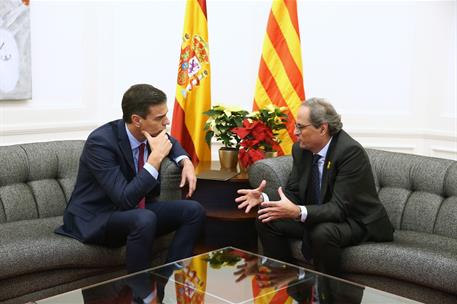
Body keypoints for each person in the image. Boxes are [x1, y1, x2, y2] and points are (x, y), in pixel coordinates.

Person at [56, 84, 205, 279]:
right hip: (98, 215)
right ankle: (140, 292)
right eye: (160, 118)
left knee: (194, 211)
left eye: (165, 115)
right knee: (144, 218)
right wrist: (154, 161)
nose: (167, 122)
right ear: (137, 120)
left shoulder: (152, 133)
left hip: (133, 210)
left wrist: (185, 162)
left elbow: (172, 142)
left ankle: (169, 281)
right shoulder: (100, 143)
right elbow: (124, 199)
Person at [236, 98, 394, 279]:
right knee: (267, 217)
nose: (295, 132)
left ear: (322, 128)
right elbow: (293, 192)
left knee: (322, 233)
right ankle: (288, 279)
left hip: (356, 220)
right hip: (321, 214)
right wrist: (264, 198)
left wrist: (297, 212)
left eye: (301, 127)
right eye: (296, 126)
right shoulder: (301, 149)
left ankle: (329, 292)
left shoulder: (349, 152)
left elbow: (338, 209)